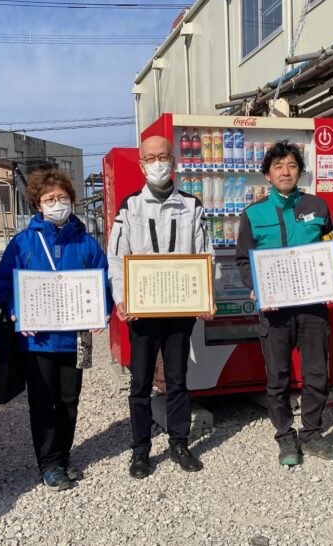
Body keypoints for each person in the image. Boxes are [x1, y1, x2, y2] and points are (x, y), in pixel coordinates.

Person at [0, 169, 111, 490]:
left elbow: (103, 281)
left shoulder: (86, 242)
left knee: (70, 400)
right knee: (43, 401)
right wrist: (16, 311)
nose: (57, 203)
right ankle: (48, 462)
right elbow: (3, 283)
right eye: (49, 199)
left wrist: (102, 311)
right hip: (38, 341)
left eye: (62, 198)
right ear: (38, 205)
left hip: (76, 338)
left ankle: (64, 455)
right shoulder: (23, 242)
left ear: (71, 200)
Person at [235, 140, 333, 466]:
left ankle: (312, 434)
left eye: (291, 166)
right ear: (267, 175)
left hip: (313, 307)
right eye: (278, 167)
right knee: (278, 377)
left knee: (316, 374)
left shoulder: (318, 207)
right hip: (275, 311)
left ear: (300, 171)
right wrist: (256, 286)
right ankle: (285, 437)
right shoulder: (253, 214)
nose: (285, 172)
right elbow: (243, 260)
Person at [107, 135, 214, 479]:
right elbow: (117, 258)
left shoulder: (192, 205)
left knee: (177, 378)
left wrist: (205, 295)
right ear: (141, 165)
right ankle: (140, 449)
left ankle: (179, 442)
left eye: (163, 157)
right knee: (140, 382)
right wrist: (122, 298)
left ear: (174, 162)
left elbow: (206, 254)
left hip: (180, 307)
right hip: (143, 309)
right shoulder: (130, 206)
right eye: (151, 158)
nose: (158, 163)